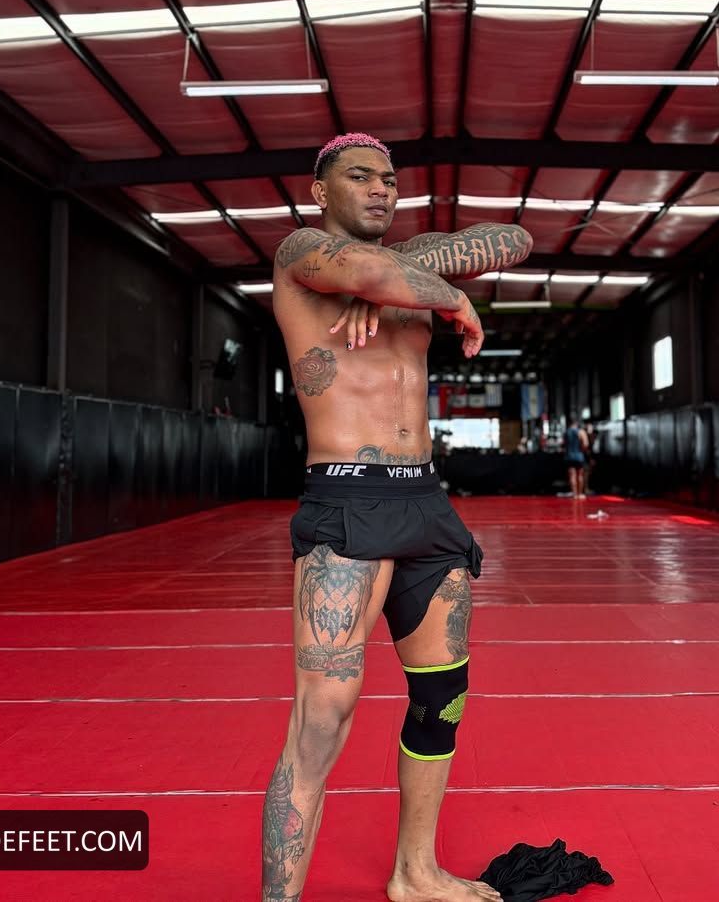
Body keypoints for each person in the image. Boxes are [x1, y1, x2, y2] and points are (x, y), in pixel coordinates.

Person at [264, 132, 533, 902]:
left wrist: (397, 278)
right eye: (361, 177)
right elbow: (364, 270)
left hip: (425, 503)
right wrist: (441, 293)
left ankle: (415, 873)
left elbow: (512, 237)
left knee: (441, 697)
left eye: (389, 179)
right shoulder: (300, 253)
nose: (382, 189)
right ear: (322, 191)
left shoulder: (405, 265)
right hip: (347, 500)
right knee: (320, 723)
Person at [563, 414, 589, 499]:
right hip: (579, 455)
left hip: (569, 456)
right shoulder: (581, 432)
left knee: (572, 475)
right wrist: (582, 449)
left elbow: (564, 445)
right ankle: (580, 493)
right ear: (576, 423)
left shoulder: (566, 432)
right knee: (580, 475)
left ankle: (574, 494)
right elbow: (586, 444)